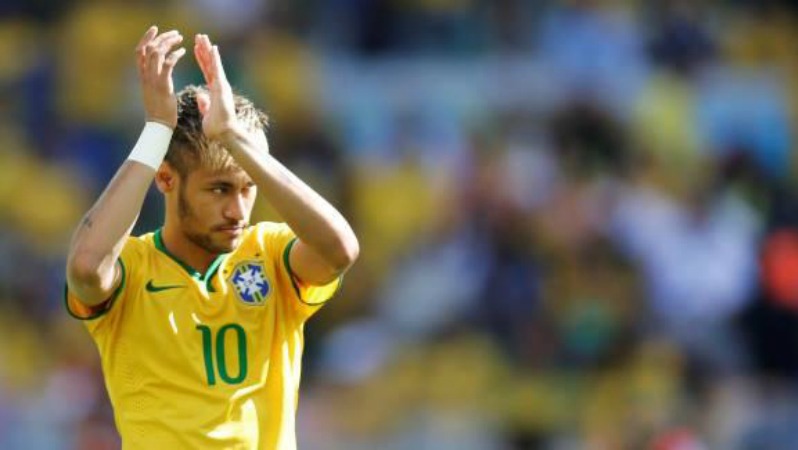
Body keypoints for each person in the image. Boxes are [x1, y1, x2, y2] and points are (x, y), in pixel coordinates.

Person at [64, 26, 359, 449]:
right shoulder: (131, 268)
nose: (238, 210)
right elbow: (86, 269)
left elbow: (340, 251)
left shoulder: (272, 254)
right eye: (219, 189)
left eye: (248, 187)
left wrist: (236, 141)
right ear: (165, 179)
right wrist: (156, 130)